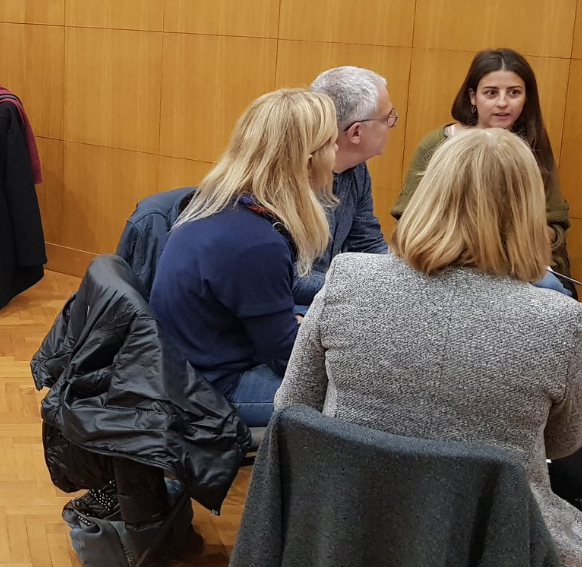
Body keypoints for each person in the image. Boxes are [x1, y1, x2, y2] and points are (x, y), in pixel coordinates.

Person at [277, 128, 582, 562]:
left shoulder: (348, 278)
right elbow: (564, 444)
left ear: (429, 193)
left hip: (346, 531)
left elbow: (292, 406)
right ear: (527, 211)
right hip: (492, 541)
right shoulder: (560, 320)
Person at [148, 89, 337, 428]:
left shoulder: (221, 202)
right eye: (332, 144)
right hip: (209, 388)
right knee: (347, 400)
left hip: (190, 361)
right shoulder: (256, 244)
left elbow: (270, 297)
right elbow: (287, 359)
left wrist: (303, 323)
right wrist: (308, 332)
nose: (337, 153)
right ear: (308, 161)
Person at [393, 48, 571, 290]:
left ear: (526, 97)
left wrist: (519, 236)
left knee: (555, 290)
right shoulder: (437, 144)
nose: (502, 102)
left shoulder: (534, 145)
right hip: (445, 261)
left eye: (514, 92)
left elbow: (555, 226)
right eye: (491, 93)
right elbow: (407, 217)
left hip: (516, 266)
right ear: (473, 97)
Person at [294, 66, 393, 307]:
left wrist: (397, 279)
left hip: (327, 298)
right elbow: (286, 278)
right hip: (285, 307)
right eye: (387, 118)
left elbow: (367, 243)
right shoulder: (290, 178)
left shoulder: (357, 168)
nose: (392, 124)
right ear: (356, 132)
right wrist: (359, 288)